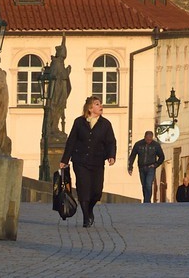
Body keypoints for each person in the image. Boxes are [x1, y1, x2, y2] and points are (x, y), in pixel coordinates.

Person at [61, 97, 117, 228]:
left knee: (97, 191)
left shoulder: (105, 124)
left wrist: (111, 155)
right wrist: (65, 159)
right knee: (83, 188)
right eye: (97, 104)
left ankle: (90, 209)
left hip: (97, 161)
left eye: (101, 104)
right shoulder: (79, 122)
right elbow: (71, 141)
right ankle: (86, 217)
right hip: (80, 161)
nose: (101, 106)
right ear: (90, 108)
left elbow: (111, 142)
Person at [128, 130, 166, 203]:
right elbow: (132, 155)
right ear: (144, 137)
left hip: (151, 167)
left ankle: (147, 201)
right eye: (147, 139)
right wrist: (130, 166)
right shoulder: (138, 144)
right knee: (144, 185)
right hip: (141, 167)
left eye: (150, 139)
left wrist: (155, 165)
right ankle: (146, 199)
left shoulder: (156, 145)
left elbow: (161, 157)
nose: (149, 141)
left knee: (148, 184)